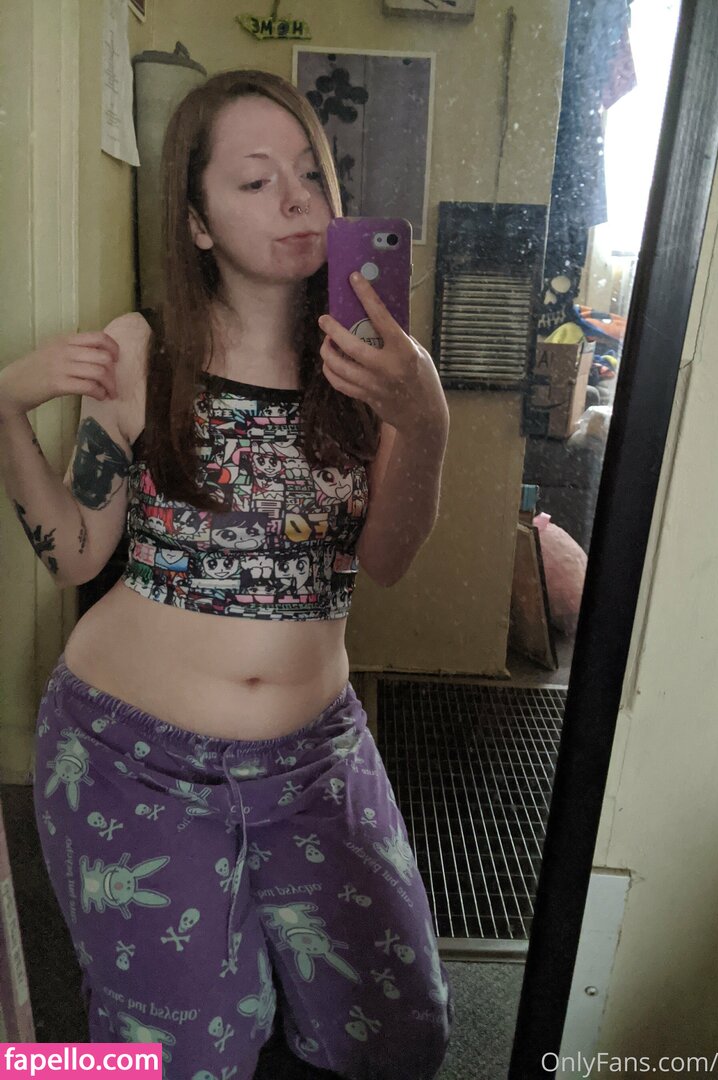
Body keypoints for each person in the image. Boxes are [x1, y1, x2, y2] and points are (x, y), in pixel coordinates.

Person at [0, 69, 453, 1080]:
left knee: (400, 1033)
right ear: (198, 222)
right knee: (182, 1058)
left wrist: (424, 420)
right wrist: (2, 411)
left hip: (315, 758)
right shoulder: (142, 353)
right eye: (255, 181)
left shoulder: (375, 367)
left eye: (310, 174)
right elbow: (74, 552)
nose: (296, 200)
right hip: (129, 756)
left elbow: (386, 561)